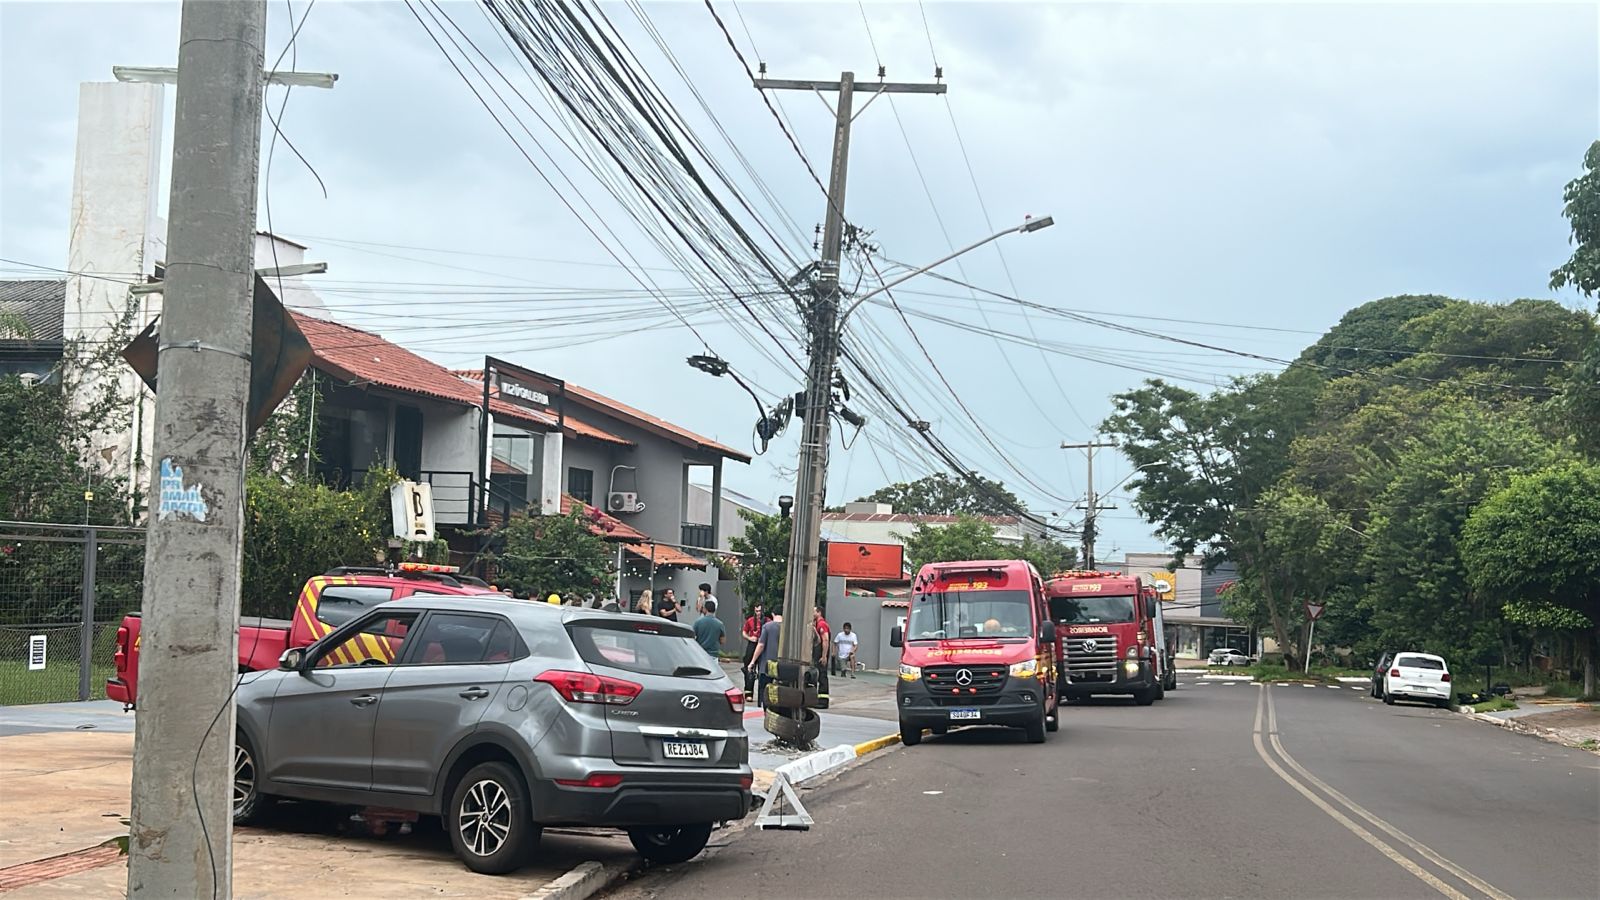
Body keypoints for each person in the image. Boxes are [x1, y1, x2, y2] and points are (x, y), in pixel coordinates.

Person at [748, 612, 783, 708]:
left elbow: (761, 645)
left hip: (766, 667)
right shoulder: (788, 628)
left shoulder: (767, 627)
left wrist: (752, 661)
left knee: (765, 692)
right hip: (783, 668)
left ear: (773, 614)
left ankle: (766, 710)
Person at [741, 604, 769, 696]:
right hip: (752, 644)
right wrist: (750, 638)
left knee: (764, 669)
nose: (758, 613)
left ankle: (762, 694)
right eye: (756, 611)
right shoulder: (750, 620)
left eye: (760, 611)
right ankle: (749, 692)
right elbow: (744, 632)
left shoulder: (767, 621)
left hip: (763, 645)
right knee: (748, 668)